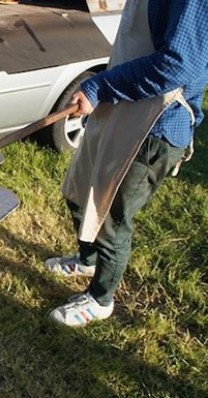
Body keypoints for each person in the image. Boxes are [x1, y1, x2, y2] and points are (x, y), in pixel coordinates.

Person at [44, 0, 208, 327]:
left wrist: (100, 86)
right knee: (79, 190)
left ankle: (101, 299)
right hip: (117, 108)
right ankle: (87, 260)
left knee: (112, 220)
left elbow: (178, 67)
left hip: (152, 126)